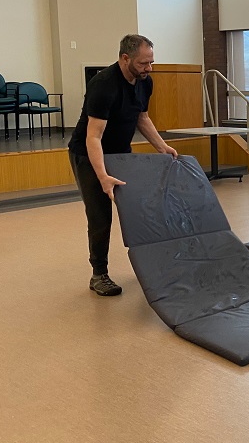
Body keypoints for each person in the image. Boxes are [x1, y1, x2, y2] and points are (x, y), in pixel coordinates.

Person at [68, 34, 178, 296]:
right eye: (143, 63)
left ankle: (149, 266)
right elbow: (93, 136)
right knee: (100, 214)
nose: (148, 69)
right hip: (88, 154)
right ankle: (99, 274)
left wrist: (162, 147)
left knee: (137, 209)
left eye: (151, 62)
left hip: (120, 153)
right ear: (125, 58)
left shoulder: (144, 82)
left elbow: (142, 117)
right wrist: (103, 176)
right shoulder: (103, 85)